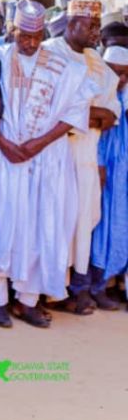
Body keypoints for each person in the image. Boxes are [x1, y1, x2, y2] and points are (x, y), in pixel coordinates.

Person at [0, 0, 89, 328]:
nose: (30, 42)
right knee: (2, 224)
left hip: (47, 160)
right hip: (6, 159)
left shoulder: (66, 67)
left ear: (44, 32)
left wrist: (36, 144)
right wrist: (4, 143)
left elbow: (75, 113)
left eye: (36, 36)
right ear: (12, 30)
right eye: (24, 35)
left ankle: (28, 301)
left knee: (42, 227)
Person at [45, 0, 121, 314]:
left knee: (83, 223)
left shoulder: (99, 63)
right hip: (56, 153)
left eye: (97, 26)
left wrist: (83, 114)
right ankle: (49, 290)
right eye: (91, 26)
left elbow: (110, 115)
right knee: (54, 221)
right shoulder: (49, 54)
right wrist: (86, 114)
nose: (96, 33)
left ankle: (75, 289)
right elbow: (53, 110)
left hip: (87, 155)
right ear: (72, 23)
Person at [89, 46, 128, 310]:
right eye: (116, 73)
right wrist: (100, 165)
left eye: (125, 75)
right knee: (101, 226)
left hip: (122, 170)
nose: (120, 79)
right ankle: (97, 286)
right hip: (103, 169)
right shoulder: (98, 90)